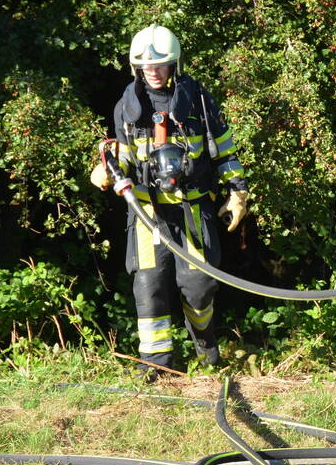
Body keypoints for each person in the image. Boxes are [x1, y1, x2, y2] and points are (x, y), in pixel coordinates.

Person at [91, 24, 249, 379]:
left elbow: (224, 150)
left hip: (192, 207)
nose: (154, 72)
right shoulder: (127, 107)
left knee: (199, 284)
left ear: (174, 64)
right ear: (137, 69)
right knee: (149, 284)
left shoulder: (199, 101)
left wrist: (237, 191)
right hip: (147, 211)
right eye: (147, 67)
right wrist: (104, 168)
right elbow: (123, 155)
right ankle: (157, 366)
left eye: (161, 65)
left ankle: (206, 346)